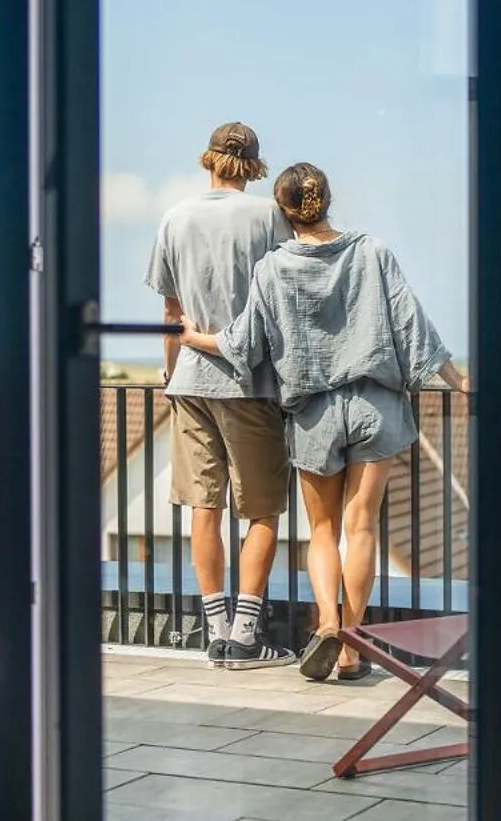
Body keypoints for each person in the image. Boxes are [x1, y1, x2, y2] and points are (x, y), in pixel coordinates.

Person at [180, 162, 466, 682]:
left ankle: (329, 625)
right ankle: (353, 651)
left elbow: (242, 344)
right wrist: (459, 380)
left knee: (323, 532)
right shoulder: (372, 252)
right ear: (328, 199)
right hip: (375, 407)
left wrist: (192, 338)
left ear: (282, 210)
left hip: (313, 414)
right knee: (361, 531)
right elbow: (413, 326)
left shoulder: (272, 268)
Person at [143, 122, 297, 670]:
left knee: (203, 507)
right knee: (262, 510)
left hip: (189, 380)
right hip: (251, 381)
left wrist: (169, 376)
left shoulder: (175, 216)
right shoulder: (270, 219)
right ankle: (246, 636)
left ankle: (214, 630)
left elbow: (170, 315)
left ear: (208, 160)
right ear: (254, 166)